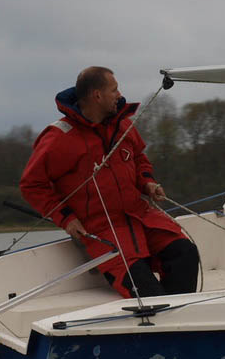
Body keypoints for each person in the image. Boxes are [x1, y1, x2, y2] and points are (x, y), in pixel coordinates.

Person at [20, 66, 200, 299]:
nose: (119, 95)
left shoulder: (122, 126)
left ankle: (180, 313)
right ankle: (167, 313)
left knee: (185, 252)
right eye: (114, 90)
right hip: (103, 230)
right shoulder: (59, 138)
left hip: (140, 216)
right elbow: (32, 185)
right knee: (147, 291)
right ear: (97, 95)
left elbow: (138, 158)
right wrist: (66, 219)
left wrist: (147, 183)